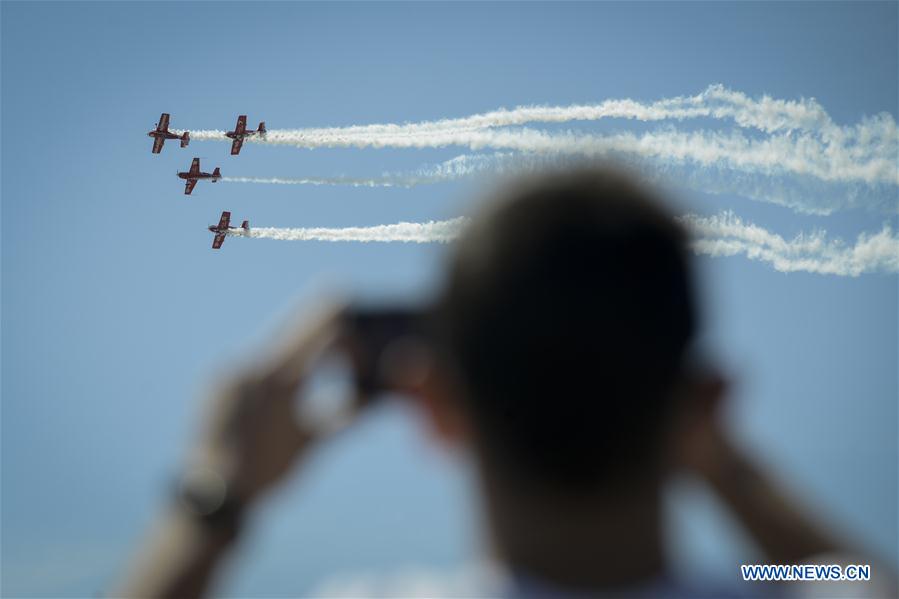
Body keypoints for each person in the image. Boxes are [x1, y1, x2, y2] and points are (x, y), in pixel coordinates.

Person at [118, 167, 895, 598]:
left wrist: (218, 496)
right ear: (704, 403)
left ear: (436, 406)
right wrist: (725, 464)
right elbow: (850, 574)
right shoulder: (772, 588)